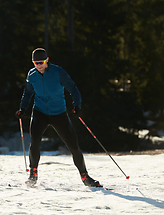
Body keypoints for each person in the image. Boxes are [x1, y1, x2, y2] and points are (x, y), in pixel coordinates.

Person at [15, 48, 102, 187]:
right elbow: (27, 93)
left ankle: (85, 177)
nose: (39, 65)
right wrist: (23, 108)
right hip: (40, 112)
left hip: (59, 114)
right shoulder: (31, 75)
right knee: (35, 142)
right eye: (35, 63)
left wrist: (77, 106)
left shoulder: (58, 72)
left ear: (47, 60)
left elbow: (73, 89)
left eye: (41, 62)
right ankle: (33, 174)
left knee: (73, 147)